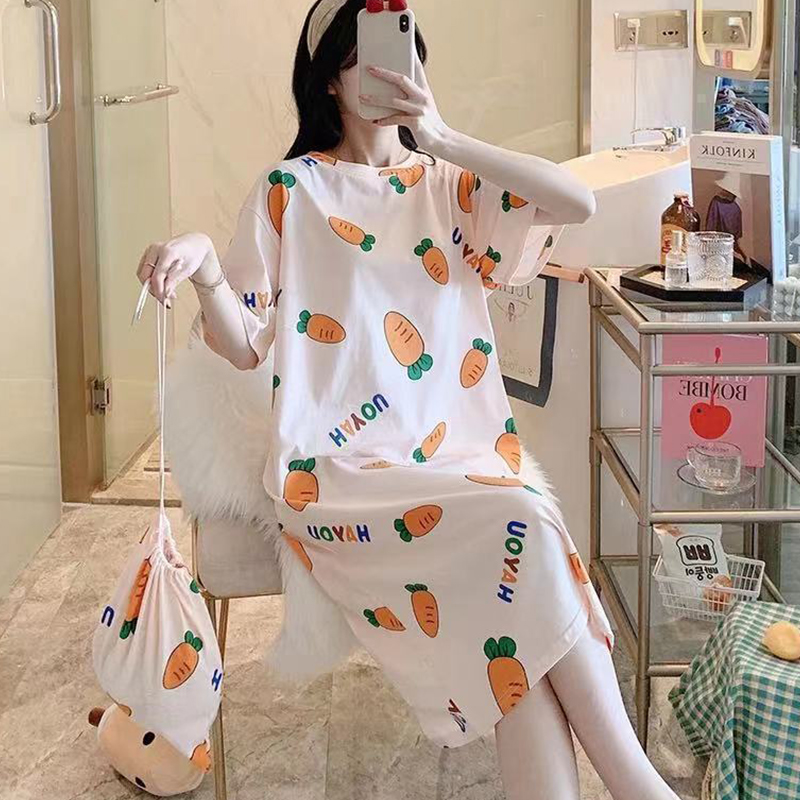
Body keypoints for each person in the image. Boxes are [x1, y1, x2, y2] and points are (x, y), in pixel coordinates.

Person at [138, 2, 681, 798]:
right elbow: (244, 344)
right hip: (335, 474)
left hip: (456, 454)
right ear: (330, 79)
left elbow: (577, 203)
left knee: (517, 641)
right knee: (526, 519)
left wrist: (444, 137)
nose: (390, 71)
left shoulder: (450, 187)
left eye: (404, 53)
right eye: (367, 56)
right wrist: (207, 269)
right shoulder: (292, 190)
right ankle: (639, 786)